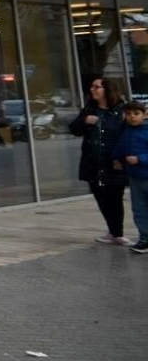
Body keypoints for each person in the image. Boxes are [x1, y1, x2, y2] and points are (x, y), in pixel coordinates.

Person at [72, 76, 129, 246]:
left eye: (97, 87)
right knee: (101, 197)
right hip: (93, 163)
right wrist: (84, 121)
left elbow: (128, 135)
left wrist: (123, 158)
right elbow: (74, 129)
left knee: (115, 198)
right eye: (92, 86)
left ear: (107, 90)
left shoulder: (121, 110)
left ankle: (117, 233)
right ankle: (112, 232)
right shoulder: (90, 109)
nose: (93, 89)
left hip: (114, 162)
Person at [113, 99, 148, 254]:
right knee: (139, 209)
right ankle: (145, 238)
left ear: (145, 115)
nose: (132, 117)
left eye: (136, 113)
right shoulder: (127, 130)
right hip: (135, 179)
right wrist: (117, 159)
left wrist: (140, 159)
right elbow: (121, 146)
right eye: (128, 114)